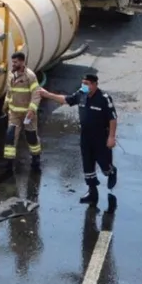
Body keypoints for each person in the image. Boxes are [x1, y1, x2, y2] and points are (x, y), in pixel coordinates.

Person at [39, 74, 118, 205]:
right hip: (85, 137)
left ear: (94, 84)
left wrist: (111, 137)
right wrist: (47, 94)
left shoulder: (104, 98)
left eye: (87, 83)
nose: (84, 86)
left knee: (104, 164)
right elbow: (66, 100)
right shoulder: (81, 94)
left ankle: (111, 171)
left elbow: (112, 118)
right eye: (83, 83)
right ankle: (92, 192)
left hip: (101, 137)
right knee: (88, 165)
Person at [2, 51, 43, 172]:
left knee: (31, 137)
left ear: (22, 62)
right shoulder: (11, 75)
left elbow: (36, 94)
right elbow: (9, 93)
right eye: (12, 62)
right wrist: (4, 107)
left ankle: (36, 158)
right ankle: (9, 163)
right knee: (10, 137)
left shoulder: (30, 76)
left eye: (15, 62)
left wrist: (32, 110)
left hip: (28, 114)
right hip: (14, 113)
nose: (13, 64)